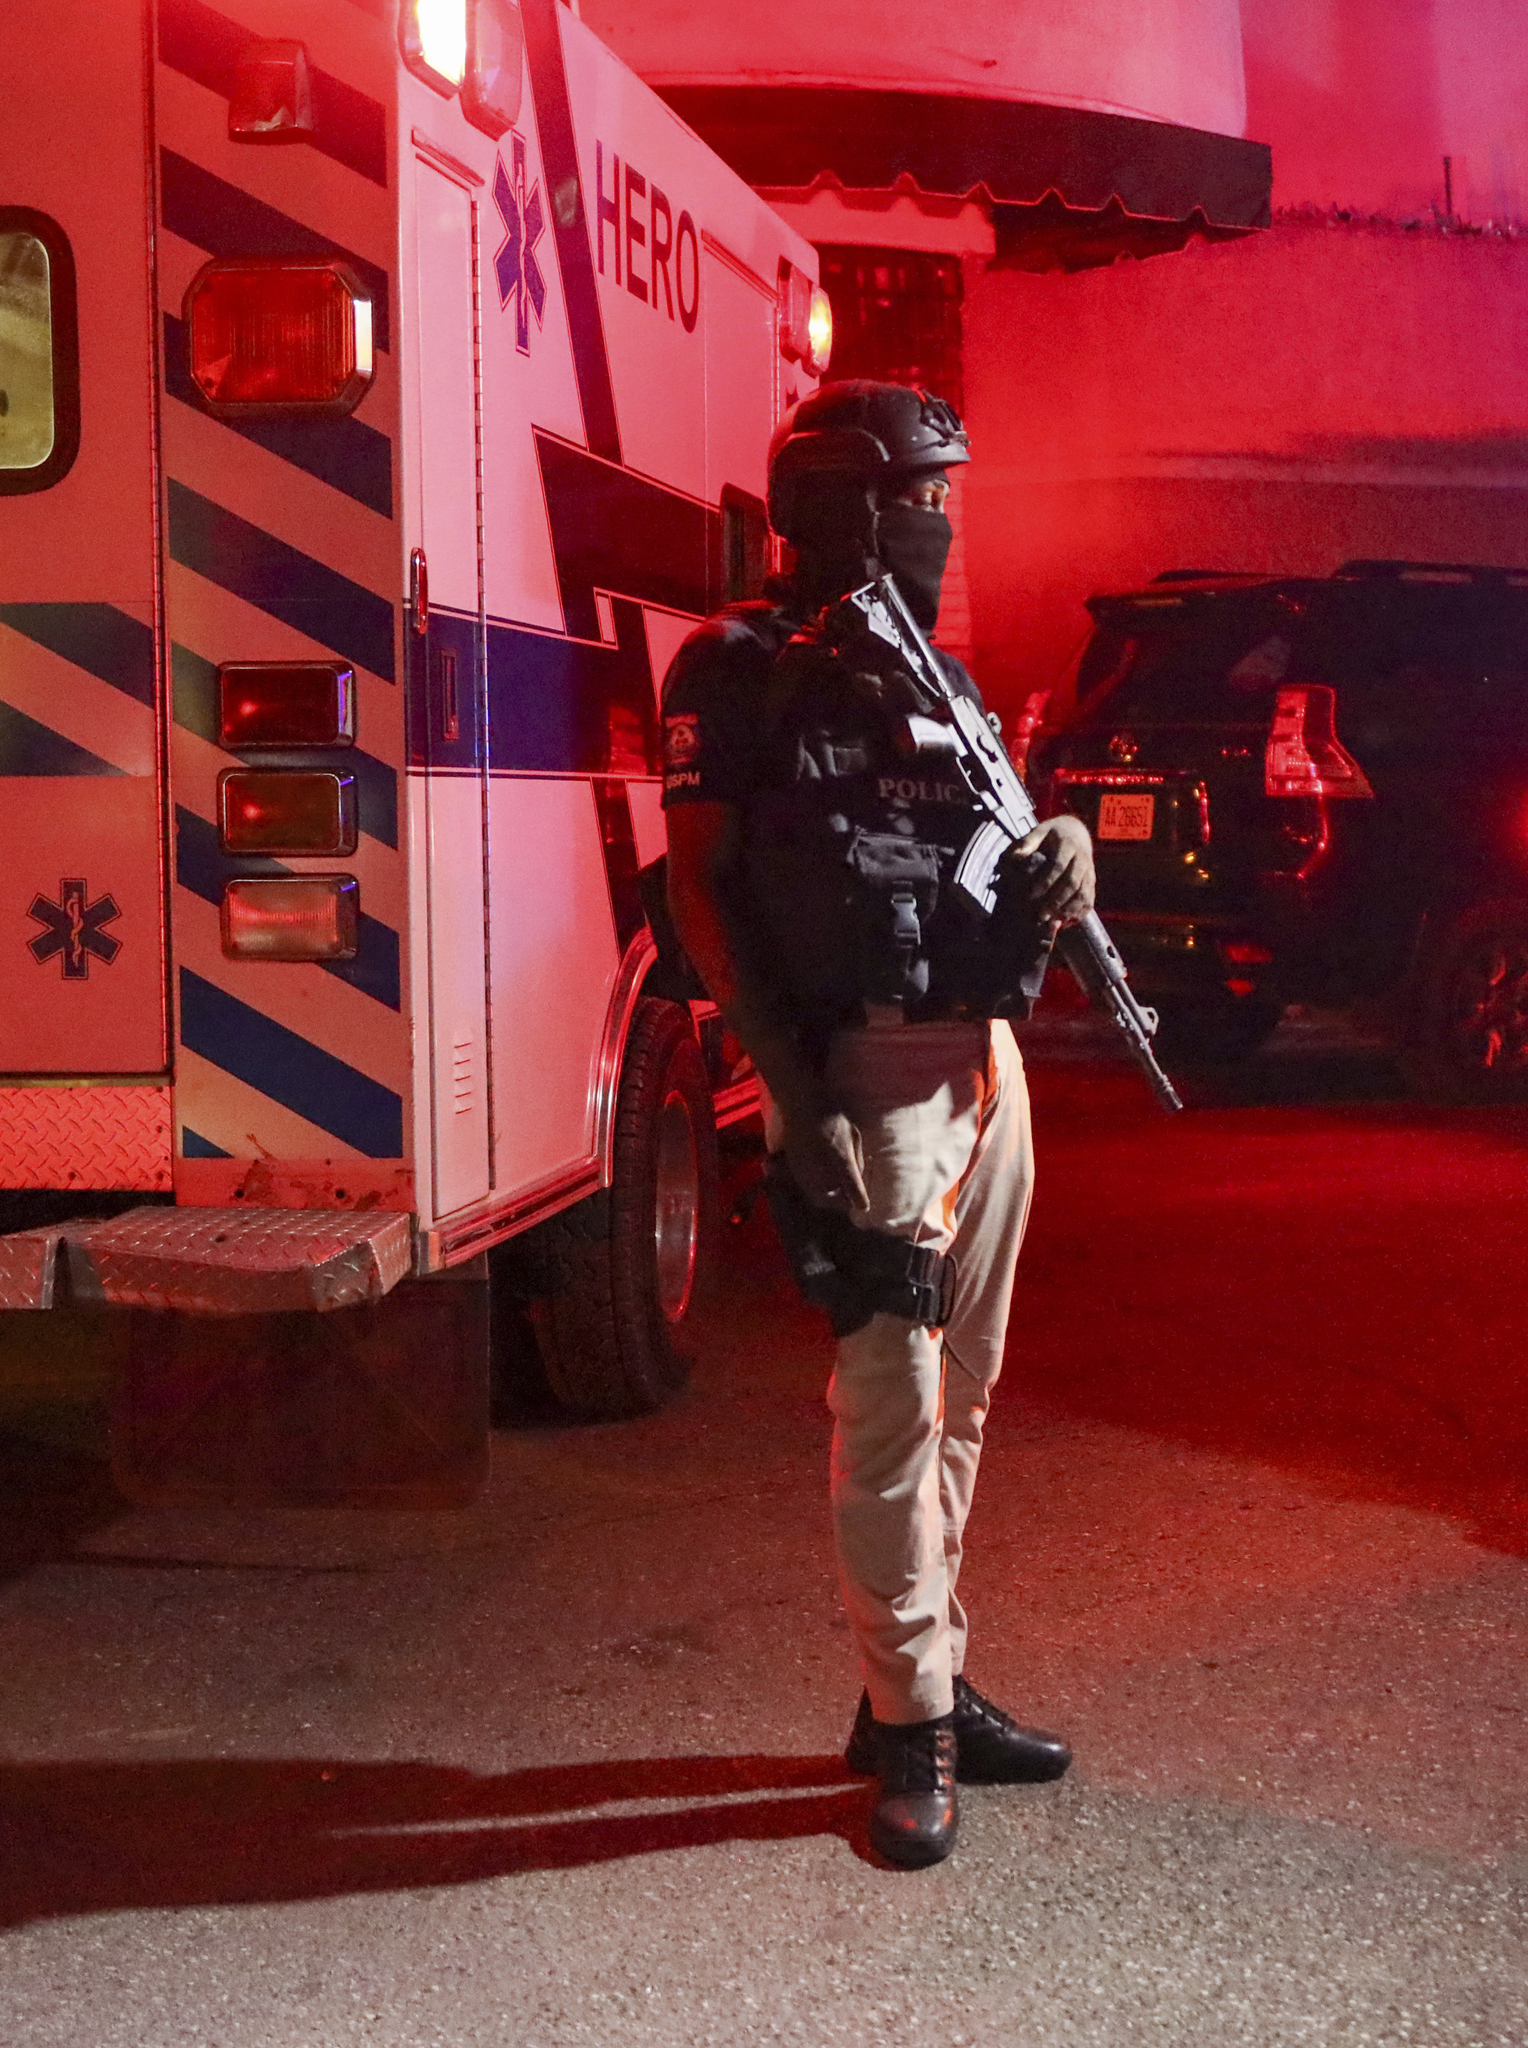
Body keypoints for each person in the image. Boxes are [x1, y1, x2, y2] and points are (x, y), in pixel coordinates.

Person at [660, 381, 1094, 1869]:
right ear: (844, 503)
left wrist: (1071, 853)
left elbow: (1008, 826)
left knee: (960, 1390)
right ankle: (912, 1733)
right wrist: (790, 1094)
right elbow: (700, 887)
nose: (944, 521)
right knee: (893, 1407)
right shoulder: (734, 667)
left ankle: (916, 1684)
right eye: (922, 496)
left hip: (982, 1061)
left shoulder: (939, 670)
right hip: (865, 1074)